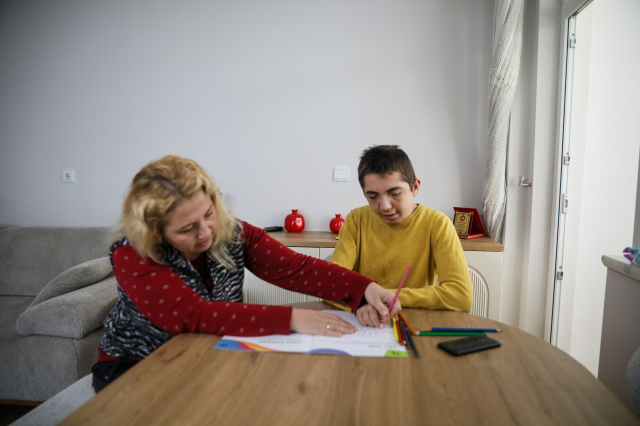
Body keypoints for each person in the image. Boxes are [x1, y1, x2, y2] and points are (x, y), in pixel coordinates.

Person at [93, 155, 401, 392]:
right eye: (187, 228)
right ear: (155, 231)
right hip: (137, 363)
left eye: (209, 214)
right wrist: (292, 318)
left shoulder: (233, 232)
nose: (206, 232)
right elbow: (191, 315)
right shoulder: (132, 252)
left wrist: (364, 289)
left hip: (212, 353)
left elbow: (296, 268)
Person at [330, 145, 472, 327]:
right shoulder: (356, 220)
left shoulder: (437, 224)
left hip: (414, 323)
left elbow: (461, 296)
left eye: (395, 193)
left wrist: (376, 297)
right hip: (365, 323)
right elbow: (330, 283)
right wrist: (363, 300)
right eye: (373, 196)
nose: (384, 206)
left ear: (415, 187)